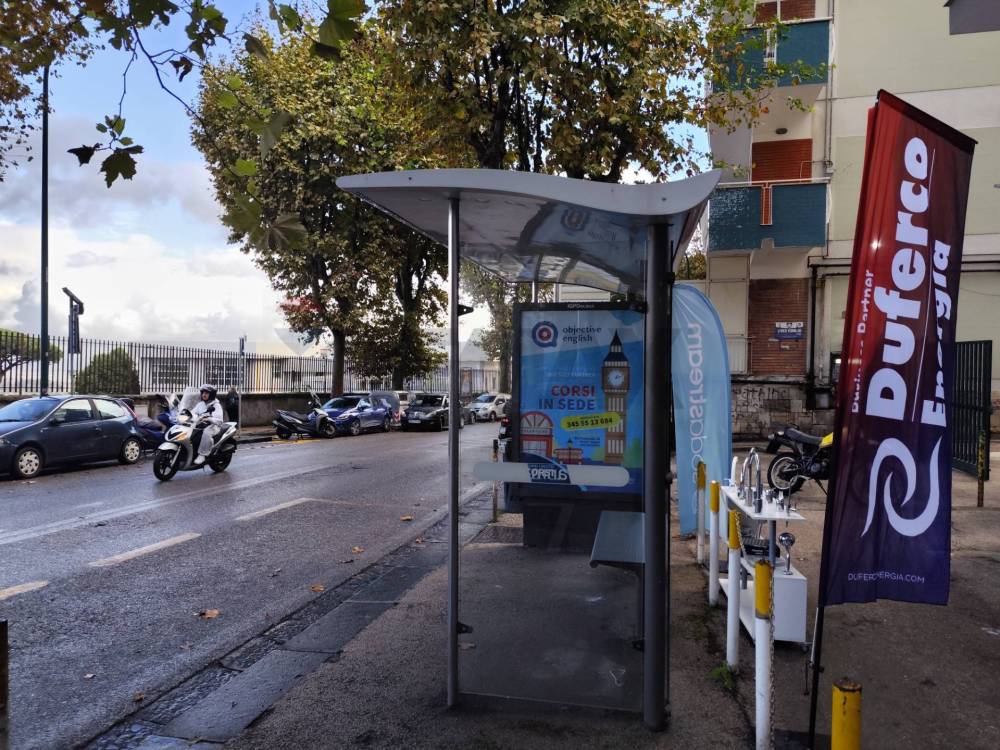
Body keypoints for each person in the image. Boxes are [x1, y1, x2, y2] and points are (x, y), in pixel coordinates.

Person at [192, 384, 224, 466]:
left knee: (206, 432)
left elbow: (219, 421)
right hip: (201, 424)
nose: (204, 395)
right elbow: (193, 413)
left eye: (206, 393)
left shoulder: (216, 405)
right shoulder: (200, 404)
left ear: (211, 394)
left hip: (214, 426)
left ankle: (202, 454)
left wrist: (209, 419)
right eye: (203, 393)